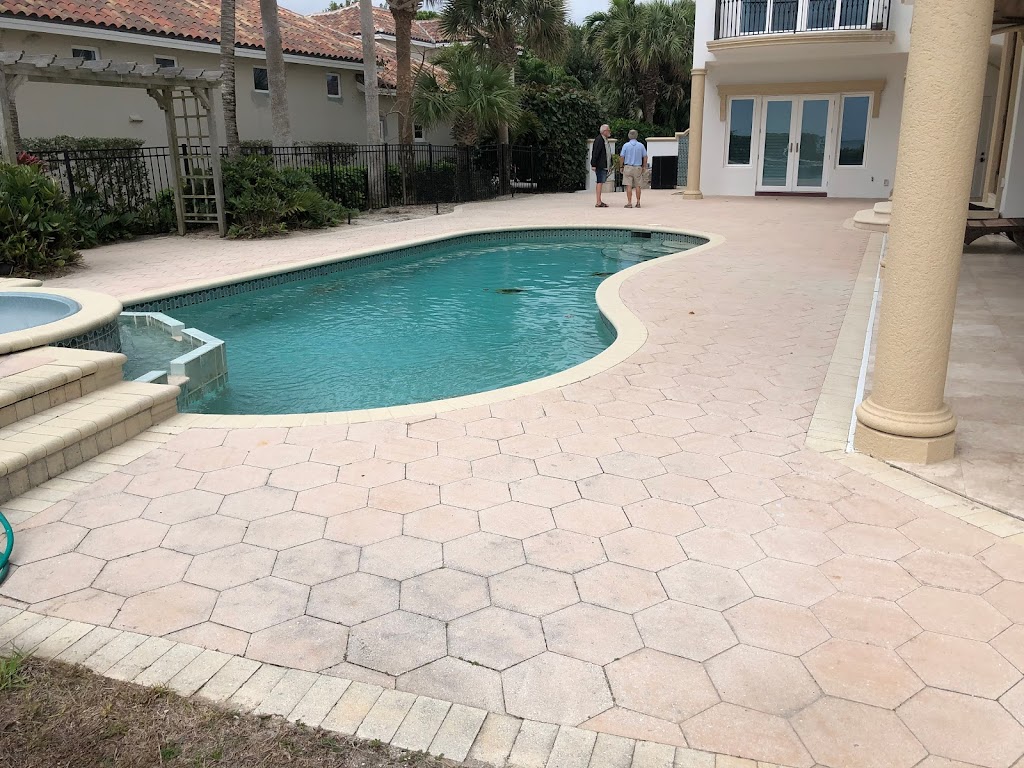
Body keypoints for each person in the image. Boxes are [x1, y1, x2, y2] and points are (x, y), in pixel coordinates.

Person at [620, 129, 648, 209]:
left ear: (629, 136)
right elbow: (645, 157)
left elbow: (622, 156)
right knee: (638, 185)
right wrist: (644, 166)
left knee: (628, 185)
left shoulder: (626, 145)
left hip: (628, 167)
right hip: (637, 167)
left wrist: (621, 166)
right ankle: (638, 202)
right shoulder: (641, 145)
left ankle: (629, 202)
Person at [591, 124, 612, 208]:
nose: (609, 132)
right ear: (604, 131)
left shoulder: (605, 140)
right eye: (608, 130)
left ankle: (599, 200)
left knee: (601, 181)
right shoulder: (599, 140)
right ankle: (598, 201)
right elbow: (595, 152)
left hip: (604, 165)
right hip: (600, 165)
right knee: (599, 181)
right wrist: (593, 164)